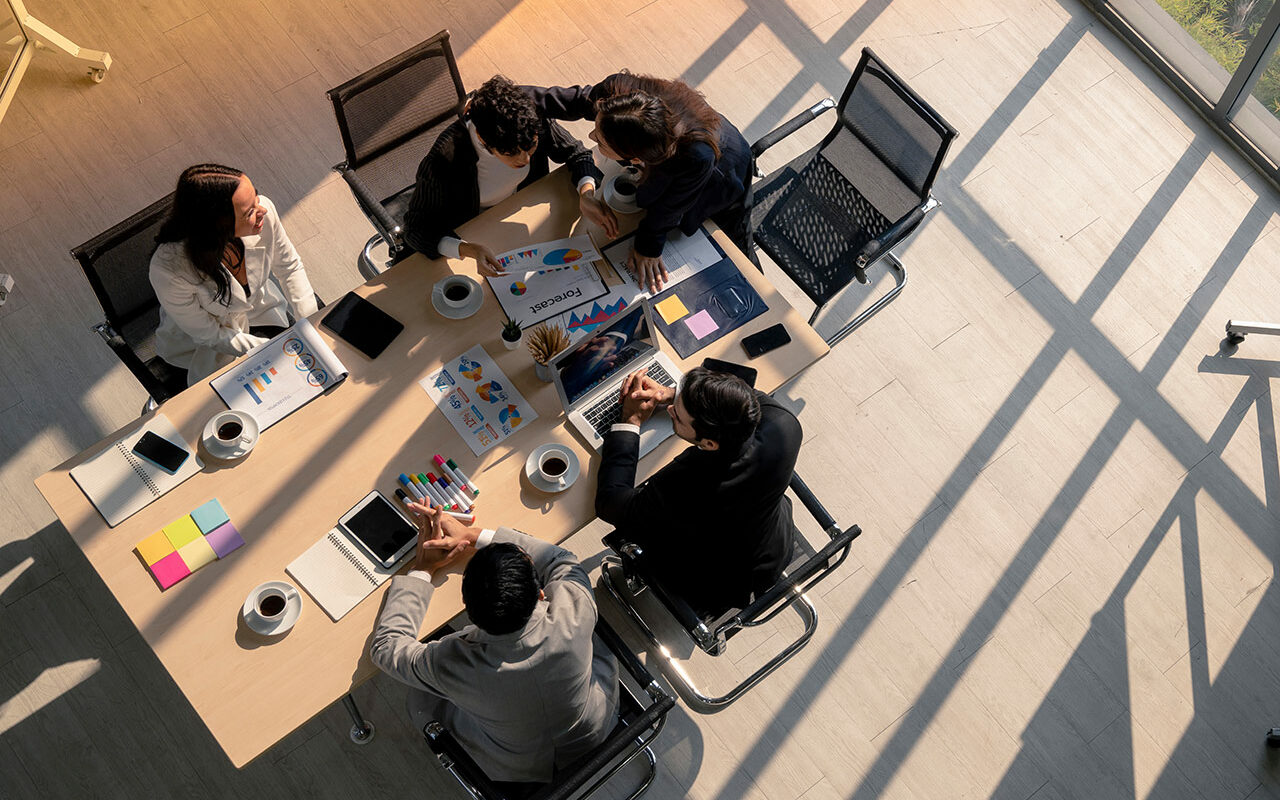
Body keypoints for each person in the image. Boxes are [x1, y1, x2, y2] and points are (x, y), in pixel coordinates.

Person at [370, 502, 619, 784]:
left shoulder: (452, 665)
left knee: (421, 699)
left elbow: (386, 647)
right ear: (540, 593)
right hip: (594, 727)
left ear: (468, 609)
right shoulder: (574, 608)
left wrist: (423, 568)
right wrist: (473, 535)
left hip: (517, 768)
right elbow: (560, 558)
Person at [595, 366, 801, 615]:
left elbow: (611, 503)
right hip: (772, 546)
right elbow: (742, 394)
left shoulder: (687, 483)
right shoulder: (784, 423)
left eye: (677, 415)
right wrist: (672, 394)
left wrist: (631, 420)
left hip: (712, 583)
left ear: (710, 443)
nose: (670, 410)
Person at [531, 73, 754, 292]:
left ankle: (753, 281)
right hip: (678, 150)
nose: (590, 136)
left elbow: (670, 207)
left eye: (600, 142)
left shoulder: (694, 157)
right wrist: (517, 102)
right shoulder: (615, 98)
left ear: (637, 159)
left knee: (735, 246)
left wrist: (648, 246)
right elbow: (564, 100)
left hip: (724, 170)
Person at [402, 75, 606, 276]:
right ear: (482, 139)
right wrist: (469, 249)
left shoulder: (529, 119)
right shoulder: (444, 159)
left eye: (531, 147)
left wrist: (586, 194)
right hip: (476, 229)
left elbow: (577, 153)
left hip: (525, 212)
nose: (525, 159)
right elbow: (415, 228)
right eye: (510, 153)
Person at [150, 164, 317, 384]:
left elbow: (290, 267)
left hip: (260, 313)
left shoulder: (263, 212)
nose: (262, 210)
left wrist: (310, 324)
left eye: (255, 196)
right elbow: (210, 335)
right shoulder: (168, 268)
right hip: (205, 346)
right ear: (218, 225)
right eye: (249, 212)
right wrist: (277, 348)